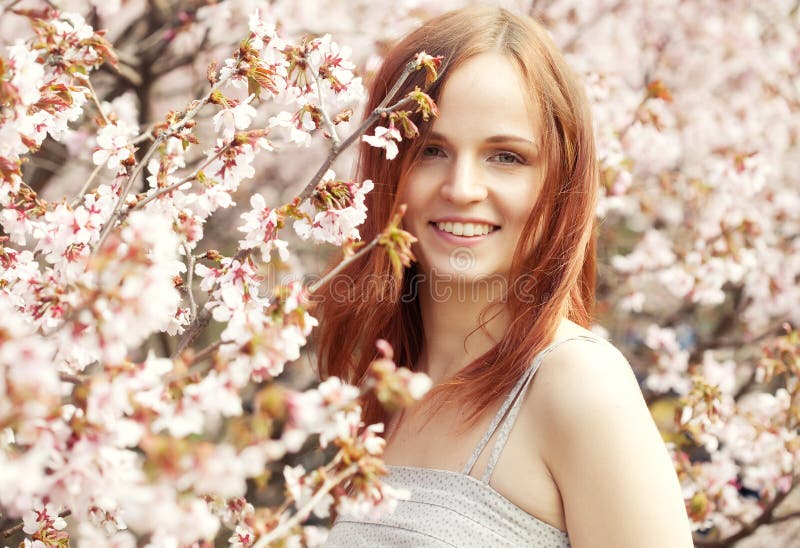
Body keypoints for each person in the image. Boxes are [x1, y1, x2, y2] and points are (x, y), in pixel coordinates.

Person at [318, 5, 693, 547]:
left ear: (560, 181)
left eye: (506, 157)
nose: (462, 187)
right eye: (431, 150)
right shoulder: (385, 385)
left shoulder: (577, 385)